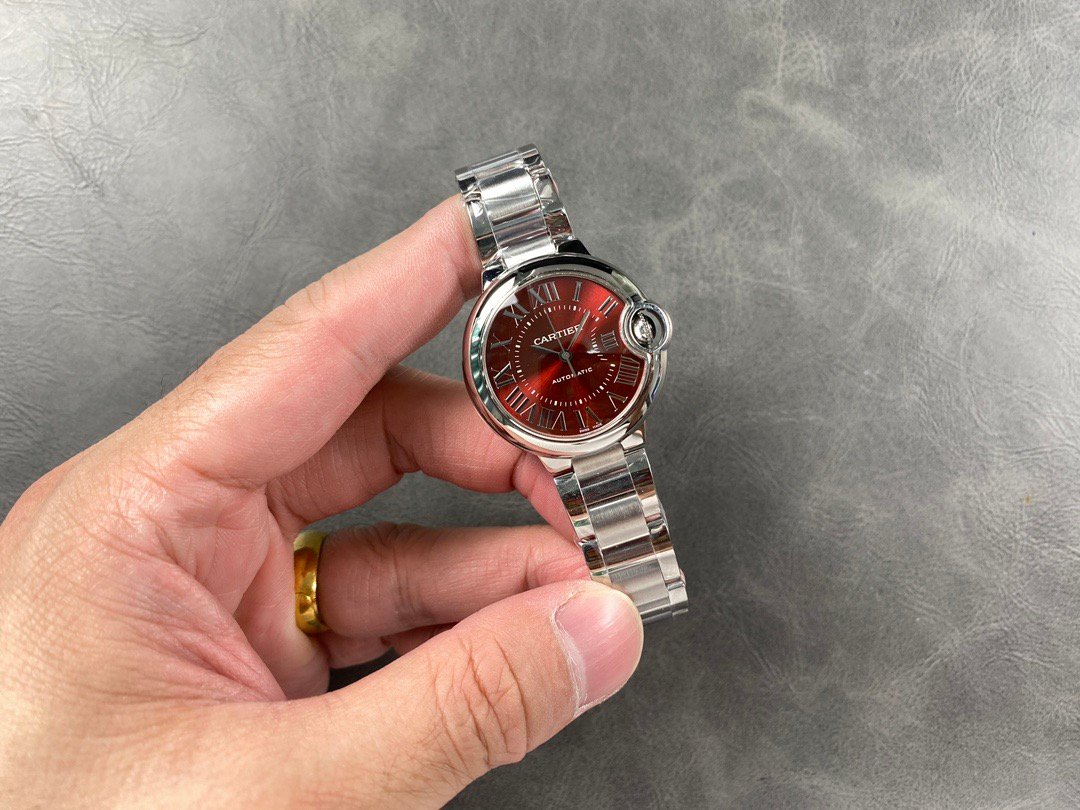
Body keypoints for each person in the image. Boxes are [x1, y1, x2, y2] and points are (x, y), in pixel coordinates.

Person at [0, 199, 644, 806]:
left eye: (570, 348)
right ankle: (641, 581)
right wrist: (492, 700)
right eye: (554, 352)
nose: (565, 354)